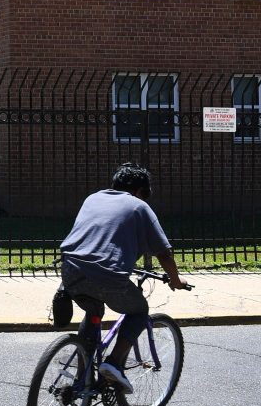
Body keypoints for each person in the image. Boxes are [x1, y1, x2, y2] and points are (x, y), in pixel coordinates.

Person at [59, 163, 188, 393]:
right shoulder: (139, 207)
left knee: (94, 311)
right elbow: (164, 253)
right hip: (106, 276)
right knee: (138, 310)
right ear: (140, 190)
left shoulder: (93, 198)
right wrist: (176, 280)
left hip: (70, 271)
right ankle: (114, 362)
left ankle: (82, 381)